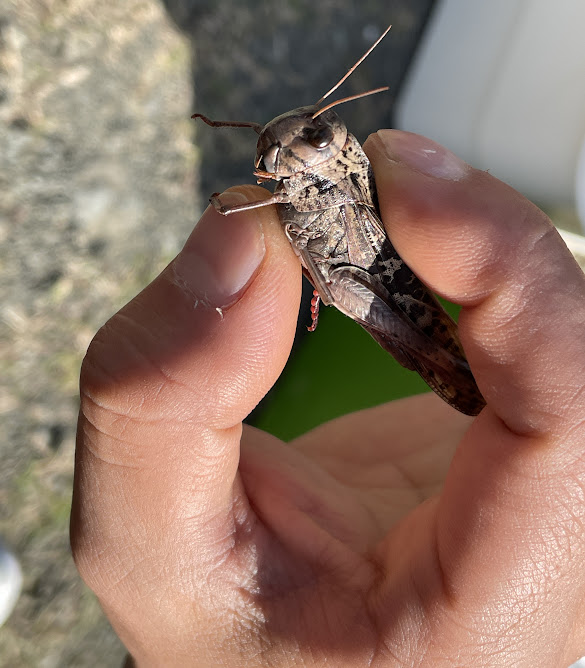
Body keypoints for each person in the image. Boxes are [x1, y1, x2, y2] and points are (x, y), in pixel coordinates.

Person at [71, 130, 585, 667]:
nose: (287, 142)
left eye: (313, 135)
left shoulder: (343, 185)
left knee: (429, 349)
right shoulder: (313, 174)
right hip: (348, 286)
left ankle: (461, 383)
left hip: (378, 285)